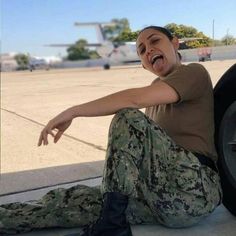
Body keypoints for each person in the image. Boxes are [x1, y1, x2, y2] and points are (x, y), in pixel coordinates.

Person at [0, 26, 222, 235]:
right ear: (144, 64)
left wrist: (73, 111)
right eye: (142, 50)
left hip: (195, 190)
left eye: (155, 41)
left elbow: (132, 100)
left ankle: (111, 228)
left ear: (175, 43)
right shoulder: (155, 92)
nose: (149, 50)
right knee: (69, 200)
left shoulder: (194, 73)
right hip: (161, 199)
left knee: (127, 117)